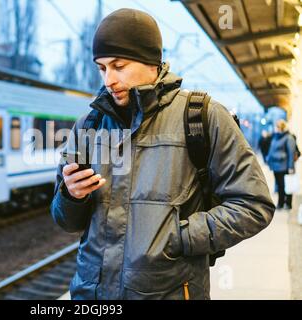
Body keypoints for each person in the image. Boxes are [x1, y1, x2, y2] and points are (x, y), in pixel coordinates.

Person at [50, 8, 275, 300]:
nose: (109, 80)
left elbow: (254, 205)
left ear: (151, 62)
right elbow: (66, 221)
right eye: (102, 68)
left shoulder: (203, 117)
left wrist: (178, 237)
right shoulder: (88, 126)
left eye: (119, 65)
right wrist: (71, 196)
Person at [266, 119, 296, 210]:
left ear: (281, 127)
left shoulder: (288, 137)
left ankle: (287, 204)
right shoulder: (275, 137)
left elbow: (291, 153)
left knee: (286, 185)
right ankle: (281, 203)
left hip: (284, 166)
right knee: (279, 186)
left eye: (277, 126)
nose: (275, 128)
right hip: (276, 166)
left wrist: (291, 167)